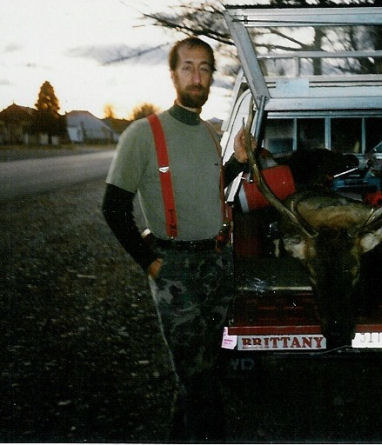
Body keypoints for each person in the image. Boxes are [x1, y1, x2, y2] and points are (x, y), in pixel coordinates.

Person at [102, 37, 250, 442]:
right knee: (200, 381)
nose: (196, 76)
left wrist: (236, 160)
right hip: (176, 271)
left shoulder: (208, 132)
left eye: (204, 68)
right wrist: (149, 263)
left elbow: (212, 190)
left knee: (201, 371)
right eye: (187, 67)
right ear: (172, 75)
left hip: (215, 266)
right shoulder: (142, 134)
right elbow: (113, 208)